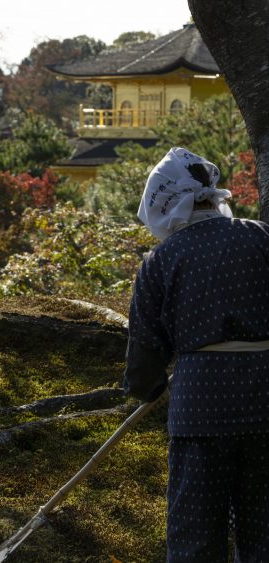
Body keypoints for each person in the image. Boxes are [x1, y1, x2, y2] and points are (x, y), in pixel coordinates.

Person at [123, 147, 269, 563]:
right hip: (266, 400)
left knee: (196, 533)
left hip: (201, 408)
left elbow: (146, 347)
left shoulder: (162, 259)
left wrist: (145, 387)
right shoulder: (261, 236)